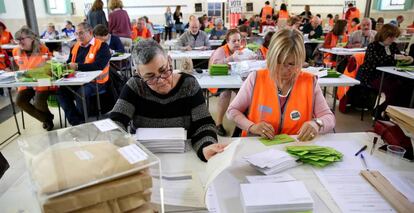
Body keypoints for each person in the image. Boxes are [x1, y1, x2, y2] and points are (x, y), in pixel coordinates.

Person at [110, 39, 225, 162]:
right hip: (145, 157)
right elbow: (115, 123)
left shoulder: (189, 84)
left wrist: (205, 147)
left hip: (186, 156)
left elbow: (203, 124)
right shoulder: (135, 86)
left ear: (169, 60)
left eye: (164, 70)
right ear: (138, 74)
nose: (161, 81)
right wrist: (124, 148)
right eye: (150, 77)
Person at [227, 29, 335, 140]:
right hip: (258, 146)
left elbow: (329, 118)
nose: (284, 70)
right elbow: (232, 111)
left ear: (300, 61)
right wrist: (252, 127)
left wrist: (317, 124)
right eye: (278, 62)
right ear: (270, 57)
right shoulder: (256, 78)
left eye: (291, 64)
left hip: (296, 147)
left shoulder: (309, 82)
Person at [57, 22, 111, 126]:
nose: (78, 36)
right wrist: (63, 67)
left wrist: (77, 66)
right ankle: (76, 121)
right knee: (61, 91)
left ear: (90, 32)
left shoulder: (102, 46)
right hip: (76, 80)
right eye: (76, 34)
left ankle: (83, 121)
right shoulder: (75, 46)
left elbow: (98, 66)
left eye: (81, 33)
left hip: (96, 81)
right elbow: (69, 62)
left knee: (81, 93)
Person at [356, 24, 413, 117]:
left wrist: (408, 59)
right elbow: (376, 61)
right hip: (373, 77)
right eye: (391, 37)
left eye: (394, 37)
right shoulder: (373, 46)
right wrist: (394, 57)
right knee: (393, 89)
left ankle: (393, 112)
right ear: (384, 35)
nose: (393, 39)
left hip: (390, 76)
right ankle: (381, 112)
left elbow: (399, 58)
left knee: (407, 87)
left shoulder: (393, 46)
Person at [209, 29, 253, 136]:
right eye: (234, 41)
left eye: (238, 40)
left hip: (237, 81)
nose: (237, 43)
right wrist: (231, 58)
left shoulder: (243, 50)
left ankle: (243, 124)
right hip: (220, 81)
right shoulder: (221, 50)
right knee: (225, 93)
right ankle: (218, 124)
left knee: (248, 92)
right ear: (227, 42)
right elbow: (214, 65)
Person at [13, 27, 54, 130]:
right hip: (26, 81)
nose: (20, 42)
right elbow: (19, 67)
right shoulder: (15, 51)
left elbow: (49, 67)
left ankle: (46, 120)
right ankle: (47, 119)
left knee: (38, 103)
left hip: (42, 80)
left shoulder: (43, 49)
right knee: (19, 101)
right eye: (18, 39)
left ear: (31, 38)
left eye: (22, 39)